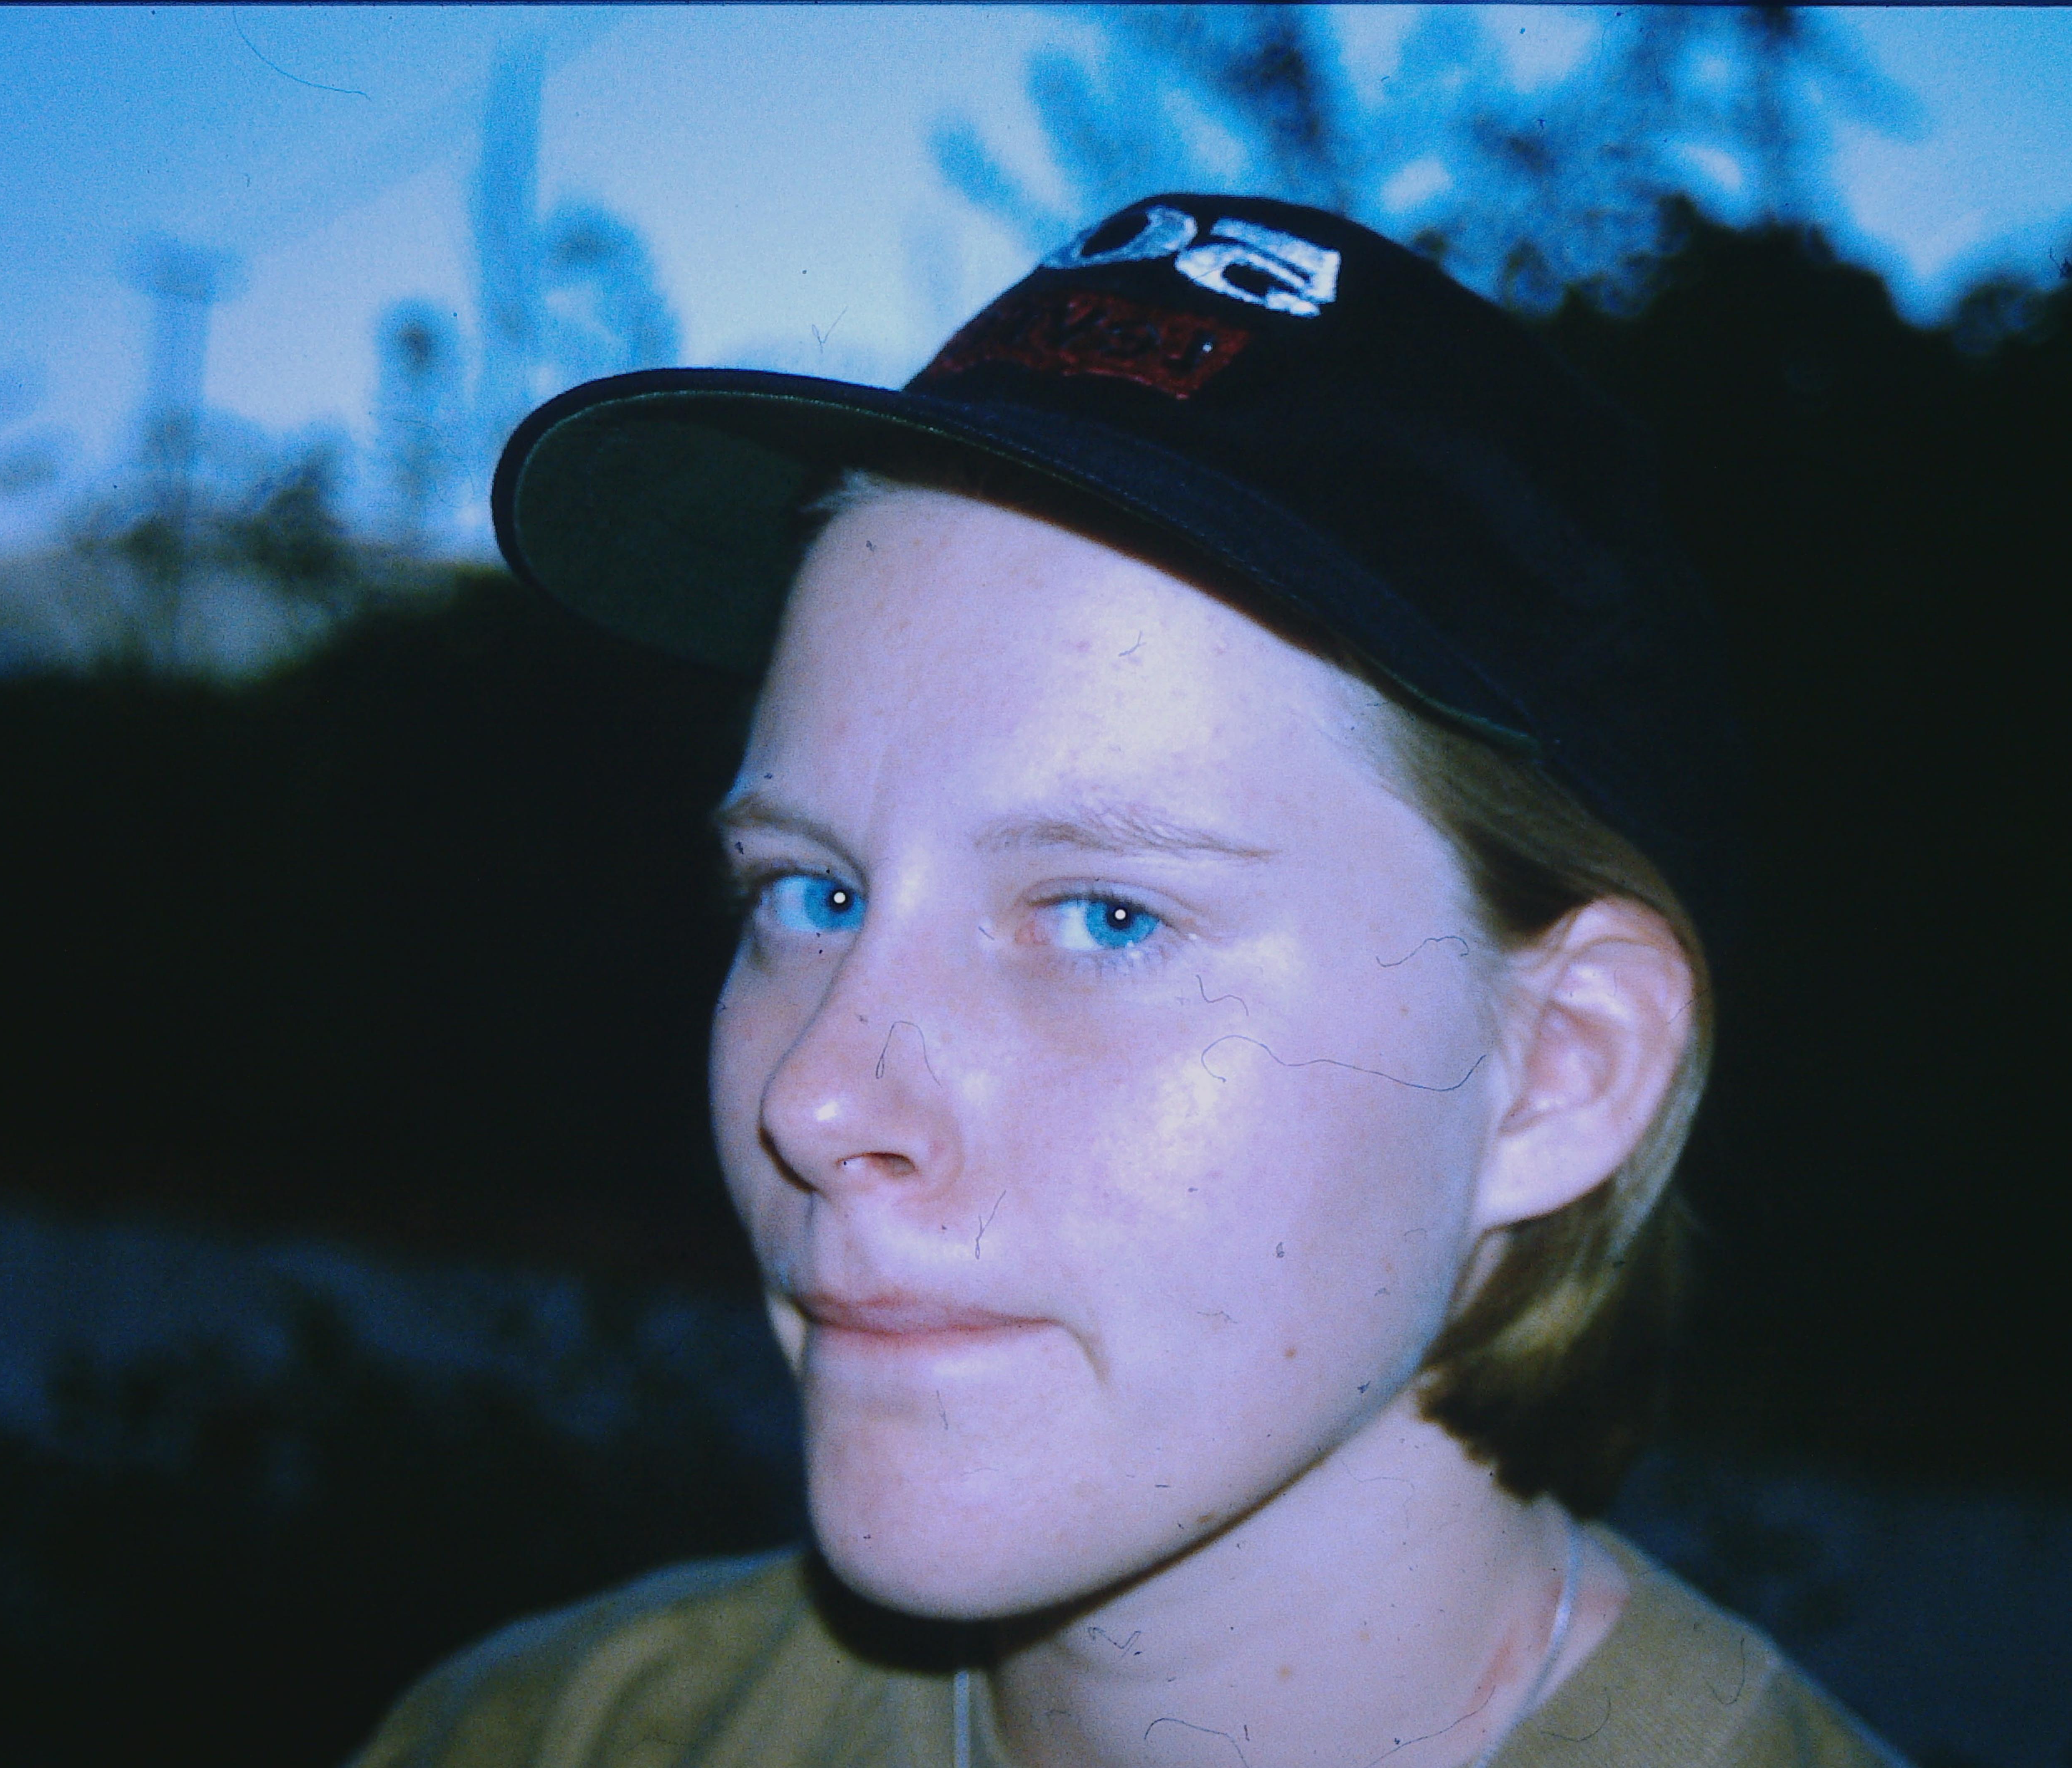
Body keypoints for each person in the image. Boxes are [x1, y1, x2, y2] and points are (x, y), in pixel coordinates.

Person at [348, 196, 1902, 1768]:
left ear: (1561, 1066)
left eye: (1104, 918)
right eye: (810, 896)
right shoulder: (535, 1738)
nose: (815, 1102)